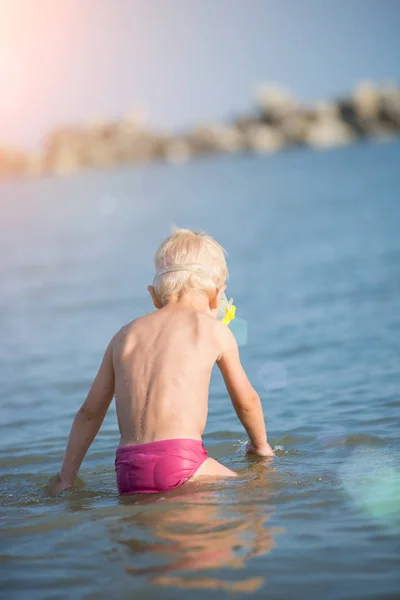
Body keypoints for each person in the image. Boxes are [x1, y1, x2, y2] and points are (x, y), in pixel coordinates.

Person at [49, 228, 274, 496]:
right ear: (217, 295)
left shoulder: (124, 336)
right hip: (182, 463)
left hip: (128, 471)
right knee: (258, 491)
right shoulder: (213, 330)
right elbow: (246, 401)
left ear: (153, 295)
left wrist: (66, 479)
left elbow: (90, 413)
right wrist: (260, 447)